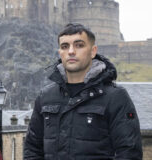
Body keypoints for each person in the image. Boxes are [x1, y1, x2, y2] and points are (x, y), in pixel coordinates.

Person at [24, 23, 142, 159]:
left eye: (79, 45)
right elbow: (32, 150)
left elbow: (129, 153)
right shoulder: (45, 96)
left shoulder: (115, 97)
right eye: (65, 46)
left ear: (93, 51)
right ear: (60, 53)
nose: (71, 51)